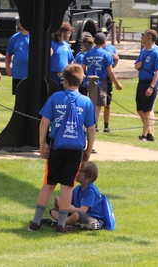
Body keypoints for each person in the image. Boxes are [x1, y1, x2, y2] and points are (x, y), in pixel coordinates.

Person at [28, 63, 96, 233]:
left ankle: (36, 221)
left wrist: (42, 143)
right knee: (67, 186)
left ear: (65, 80)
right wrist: (88, 149)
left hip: (57, 145)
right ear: (81, 82)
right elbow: (91, 128)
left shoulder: (56, 97)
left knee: (49, 184)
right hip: (75, 148)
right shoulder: (86, 101)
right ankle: (62, 224)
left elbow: (44, 121)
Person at [50, 161, 116, 230]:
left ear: (88, 176)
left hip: (93, 219)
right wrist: (59, 203)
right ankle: (67, 222)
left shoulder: (91, 190)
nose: (76, 173)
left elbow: (82, 210)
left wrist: (64, 207)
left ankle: (63, 223)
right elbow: (67, 202)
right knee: (53, 211)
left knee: (77, 214)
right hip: (80, 216)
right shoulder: (77, 189)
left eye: (79, 171)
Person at [134, 29, 158, 142]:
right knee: (140, 109)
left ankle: (144, 135)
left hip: (150, 83)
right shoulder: (143, 51)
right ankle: (149, 132)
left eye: (144, 35)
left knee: (147, 110)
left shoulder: (156, 53)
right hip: (141, 82)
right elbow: (137, 65)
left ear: (149, 38)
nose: (142, 36)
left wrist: (152, 86)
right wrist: (138, 65)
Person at [82, 34, 123, 124]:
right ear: (104, 42)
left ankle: (90, 124)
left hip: (89, 81)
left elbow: (82, 69)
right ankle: (93, 125)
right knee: (99, 104)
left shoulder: (87, 53)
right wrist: (117, 84)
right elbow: (110, 72)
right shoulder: (106, 54)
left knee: (92, 103)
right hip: (101, 81)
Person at [94, 32, 119, 132]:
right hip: (99, 78)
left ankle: (106, 125)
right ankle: (95, 125)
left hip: (107, 78)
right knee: (97, 104)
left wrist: (116, 60)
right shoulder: (94, 50)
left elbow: (112, 66)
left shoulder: (111, 48)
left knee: (107, 104)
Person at [5, 23, 30, 96]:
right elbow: (8, 54)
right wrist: (7, 68)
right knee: (18, 98)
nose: (21, 24)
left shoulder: (34, 37)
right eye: (20, 22)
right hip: (17, 74)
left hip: (30, 75)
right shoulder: (14, 37)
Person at [49, 22, 74, 91]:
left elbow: (71, 60)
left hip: (64, 76)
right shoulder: (51, 43)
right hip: (53, 75)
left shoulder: (66, 45)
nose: (69, 35)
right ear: (62, 33)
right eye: (68, 33)